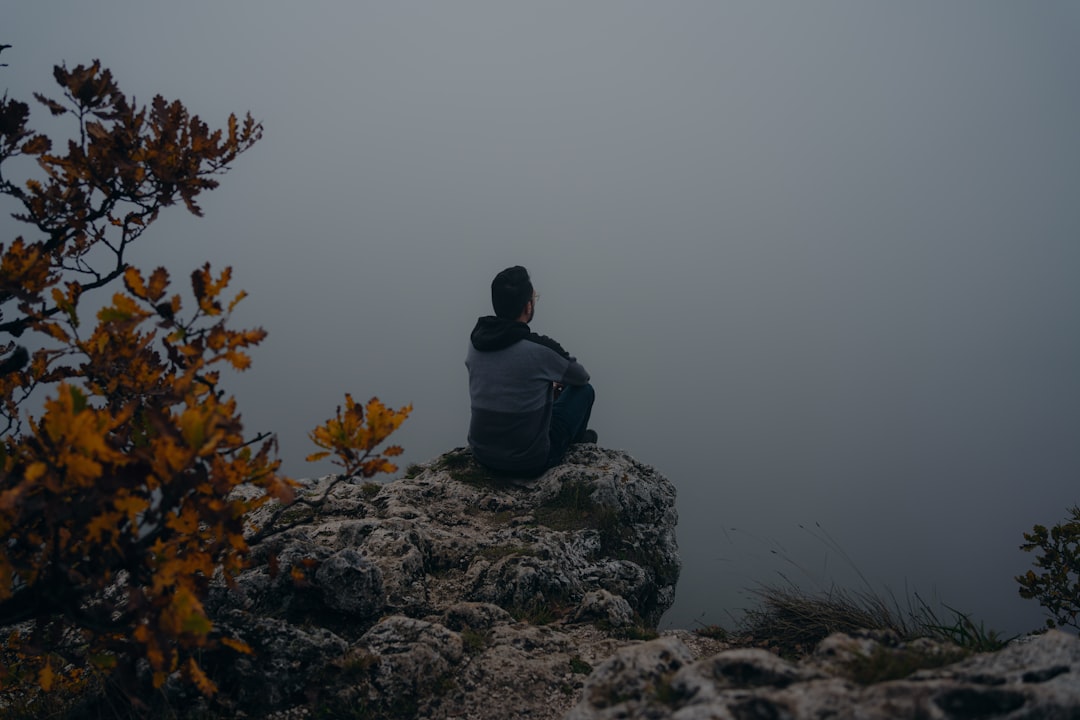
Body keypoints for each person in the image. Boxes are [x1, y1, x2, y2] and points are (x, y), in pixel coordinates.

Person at [466, 265, 596, 476]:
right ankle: (573, 443)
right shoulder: (539, 349)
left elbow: (505, 380)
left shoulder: (476, 341)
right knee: (584, 391)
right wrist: (550, 385)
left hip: (483, 454)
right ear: (528, 306)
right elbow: (581, 377)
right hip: (529, 461)